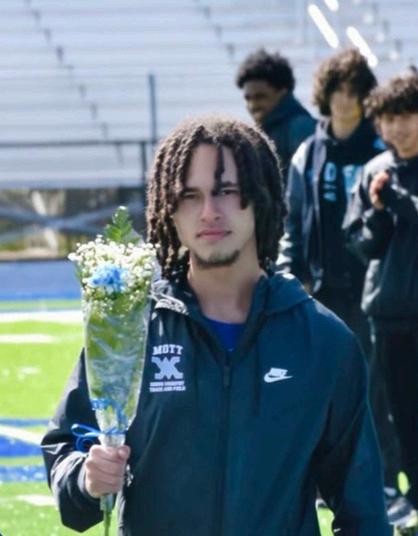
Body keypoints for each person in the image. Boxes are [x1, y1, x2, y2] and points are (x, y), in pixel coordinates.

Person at [42, 115, 390, 535]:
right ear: (169, 210)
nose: (209, 212)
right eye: (190, 195)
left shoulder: (323, 341)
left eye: (226, 191)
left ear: (261, 198)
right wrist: (86, 478)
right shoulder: (129, 328)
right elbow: (67, 451)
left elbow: (363, 511)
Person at [277, 48, 402, 505]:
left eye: (354, 92)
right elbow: (293, 220)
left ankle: (383, 480)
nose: (345, 101)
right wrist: (290, 273)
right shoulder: (308, 153)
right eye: (338, 91)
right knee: (320, 387)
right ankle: (324, 482)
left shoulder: (382, 151)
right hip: (321, 288)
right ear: (325, 96)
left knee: (375, 391)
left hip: (373, 290)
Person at [344, 73, 418, 530]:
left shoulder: (393, 181)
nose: (397, 127)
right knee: (397, 413)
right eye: (387, 119)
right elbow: (359, 243)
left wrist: (401, 204)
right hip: (388, 314)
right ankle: (406, 496)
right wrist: (377, 216)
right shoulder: (374, 171)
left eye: (406, 116)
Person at [236, 48, 315, 180]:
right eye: (248, 98)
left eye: (260, 97)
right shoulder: (265, 130)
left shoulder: (301, 128)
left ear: (282, 91)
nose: (253, 105)